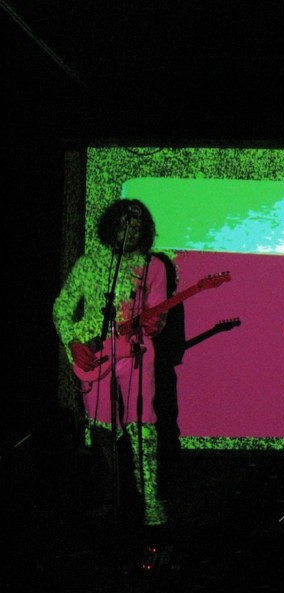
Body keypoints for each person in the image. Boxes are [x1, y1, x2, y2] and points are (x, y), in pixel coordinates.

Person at [53, 198, 169, 530]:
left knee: (143, 424)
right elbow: (61, 308)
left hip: (136, 353)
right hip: (94, 356)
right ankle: (109, 502)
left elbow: (158, 318)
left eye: (138, 227)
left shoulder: (153, 267)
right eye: (125, 225)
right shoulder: (89, 262)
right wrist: (73, 343)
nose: (131, 232)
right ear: (112, 226)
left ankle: (150, 503)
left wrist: (154, 323)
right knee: (102, 428)